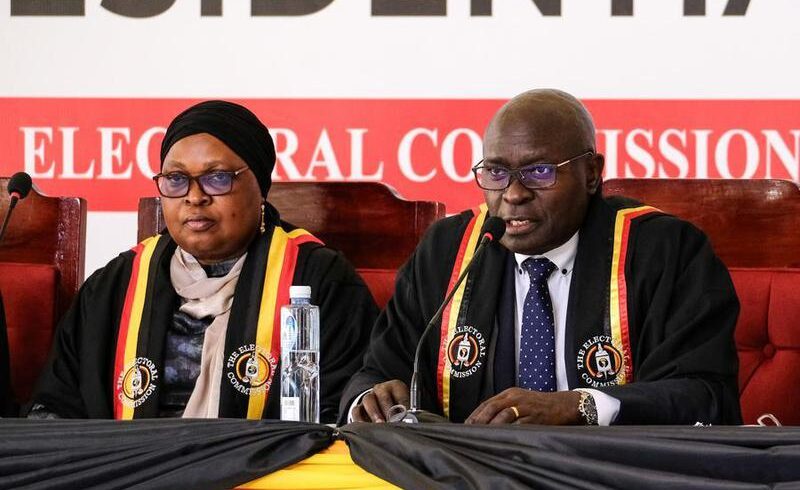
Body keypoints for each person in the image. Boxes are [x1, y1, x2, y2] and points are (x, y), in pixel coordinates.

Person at [343, 89, 741, 426]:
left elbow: (705, 394)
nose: (513, 194)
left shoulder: (665, 251)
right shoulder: (447, 251)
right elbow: (377, 371)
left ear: (591, 173)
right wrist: (370, 399)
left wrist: (581, 406)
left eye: (539, 172)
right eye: (496, 173)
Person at [29, 100, 378, 422]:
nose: (195, 197)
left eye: (218, 178)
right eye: (176, 180)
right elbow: (55, 407)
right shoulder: (114, 285)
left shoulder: (319, 280)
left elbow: (344, 411)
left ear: (260, 188)